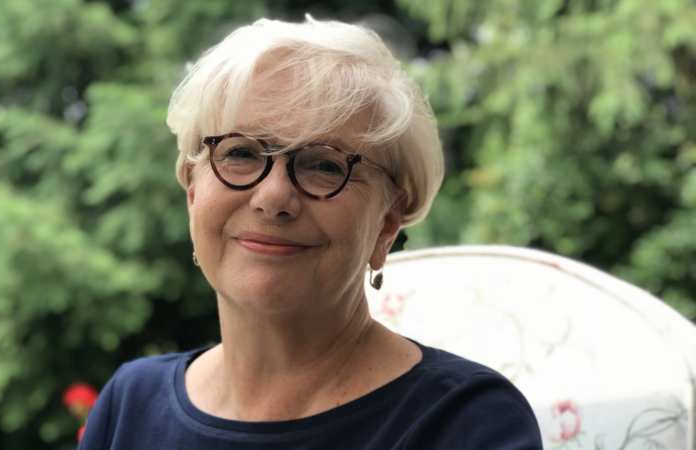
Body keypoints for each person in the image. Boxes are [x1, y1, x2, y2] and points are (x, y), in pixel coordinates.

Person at [79, 16, 542, 450]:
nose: (273, 197)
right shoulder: (129, 406)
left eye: (324, 165)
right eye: (240, 153)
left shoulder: (465, 422)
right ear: (193, 193)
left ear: (387, 222)